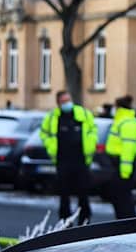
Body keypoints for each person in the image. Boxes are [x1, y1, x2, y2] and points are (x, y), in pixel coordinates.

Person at [40, 91, 97, 225]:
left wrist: (90, 145)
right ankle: (65, 223)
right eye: (64, 101)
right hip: (62, 160)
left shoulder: (83, 114)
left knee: (83, 193)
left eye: (68, 100)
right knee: (64, 194)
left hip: (81, 160)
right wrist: (50, 147)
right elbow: (44, 133)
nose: (67, 103)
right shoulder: (53, 117)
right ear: (58, 103)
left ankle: (84, 222)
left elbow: (93, 130)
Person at [106, 95, 136, 219]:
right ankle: (123, 221)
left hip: (123, 166)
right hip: (119, 165)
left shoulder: (127, 122)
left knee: (123, 197)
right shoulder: (122, 120)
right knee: (119, 196)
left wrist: (125, 171)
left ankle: (127, 222)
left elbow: (128, 147)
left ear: (119, 107)